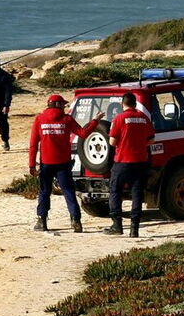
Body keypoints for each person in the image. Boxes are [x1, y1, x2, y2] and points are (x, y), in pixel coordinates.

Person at [29, 94, 104, 232]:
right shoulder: (66, 119)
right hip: (63, 164)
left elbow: (33, 144)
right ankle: (76, 221)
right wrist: (95, 120)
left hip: (46, 164)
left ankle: (42, 221)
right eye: (63, 105)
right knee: (69, 192)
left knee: (44, 192)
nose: (64, 107)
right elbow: (83, 133)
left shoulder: (39, 119)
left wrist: (32, 165)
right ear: (58, 105)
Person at [105, 92, 155, 237]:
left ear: (122, 104)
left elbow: (112, 142)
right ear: (135, 104)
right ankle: (134, 228)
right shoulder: (143, 118)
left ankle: (117, 225)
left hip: (122, 161)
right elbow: (152, 140)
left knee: (115, 191)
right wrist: (140, 144)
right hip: (140, 161)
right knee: (137, 193)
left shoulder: (119, 118)